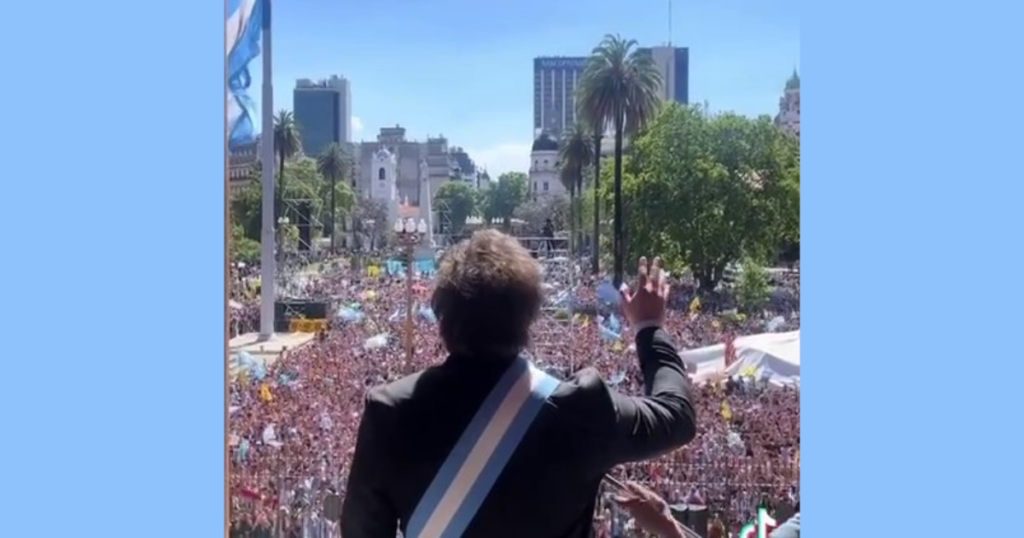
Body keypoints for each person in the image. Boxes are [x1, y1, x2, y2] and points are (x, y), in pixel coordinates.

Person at [340, 229, 697, 538]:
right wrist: (649, 327)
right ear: (528, 319)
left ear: (443, 320)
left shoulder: (390, 413)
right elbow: (676, 415)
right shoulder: (582, 409)